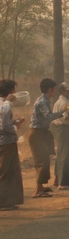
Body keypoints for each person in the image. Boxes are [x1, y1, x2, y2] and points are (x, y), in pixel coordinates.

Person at [28, 78, 63, 198]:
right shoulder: (43, 101)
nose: (55, 91)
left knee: (45, 159)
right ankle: (38, 189)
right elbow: (49, 117)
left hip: (41, 133)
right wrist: (62, 111)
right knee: (41, 160)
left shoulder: (45, 100)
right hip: (38, 134)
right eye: (54, 89)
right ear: (50, 89)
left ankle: (41, 186)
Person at [0, 79, 25, 210]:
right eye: (14, 90)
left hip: (5, 142)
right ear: (10, 91)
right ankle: (3, 202)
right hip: (6, 143)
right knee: (5, 171)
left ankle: (8, 201)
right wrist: (15, 127)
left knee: (9, 171)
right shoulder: (6, 104)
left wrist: (15, 122)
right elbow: (4, 126)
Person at [51, 82, 69, 189]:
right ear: (62, 91)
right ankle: (64, 182)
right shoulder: (63, 102)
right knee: (65, 154)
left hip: (64, 129)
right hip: (64, 128)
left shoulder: (66, 101)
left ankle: (61, 180)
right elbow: (67, 117)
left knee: (63, 153)